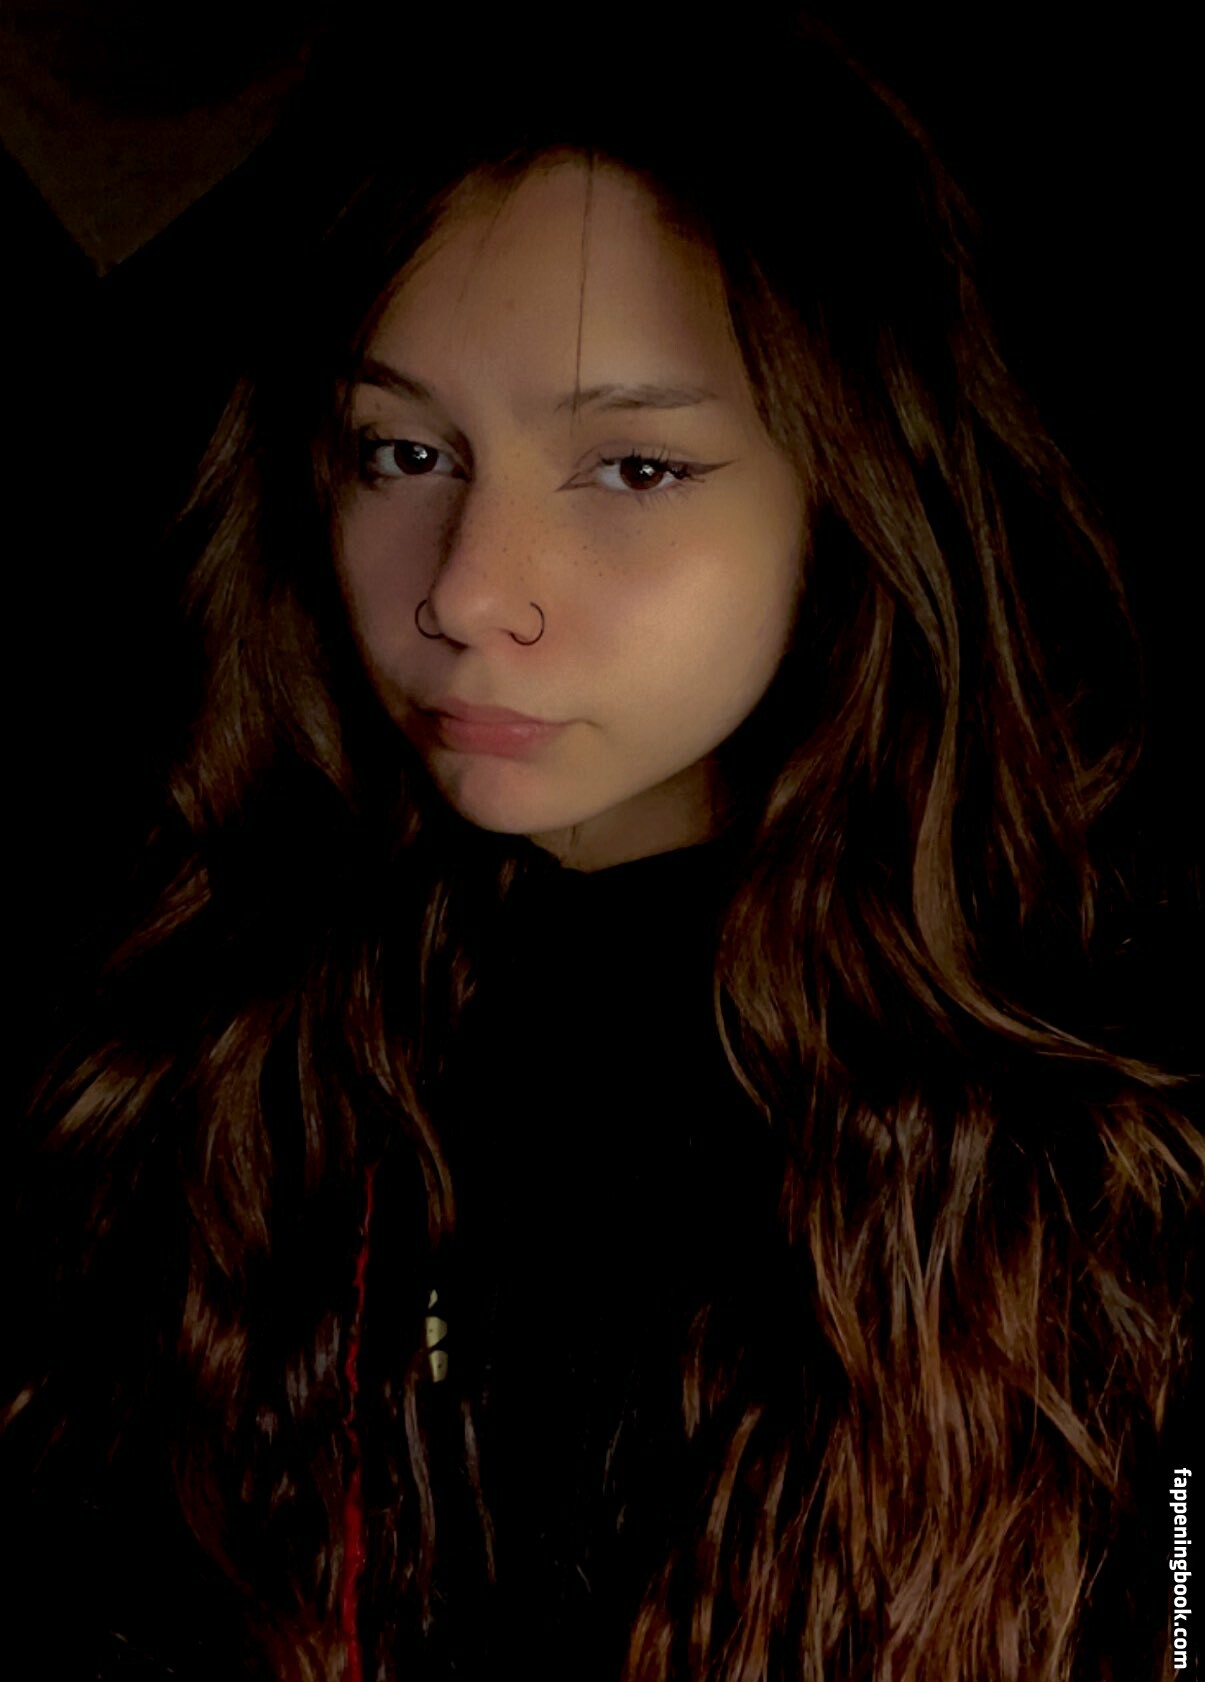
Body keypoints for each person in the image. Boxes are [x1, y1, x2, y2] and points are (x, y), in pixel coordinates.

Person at [3, 8, 1200, 1680]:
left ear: (852, 493)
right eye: (404, 452)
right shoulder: (200, 1051)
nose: (465, 589)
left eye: (631, 467)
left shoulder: (1109, 1149)